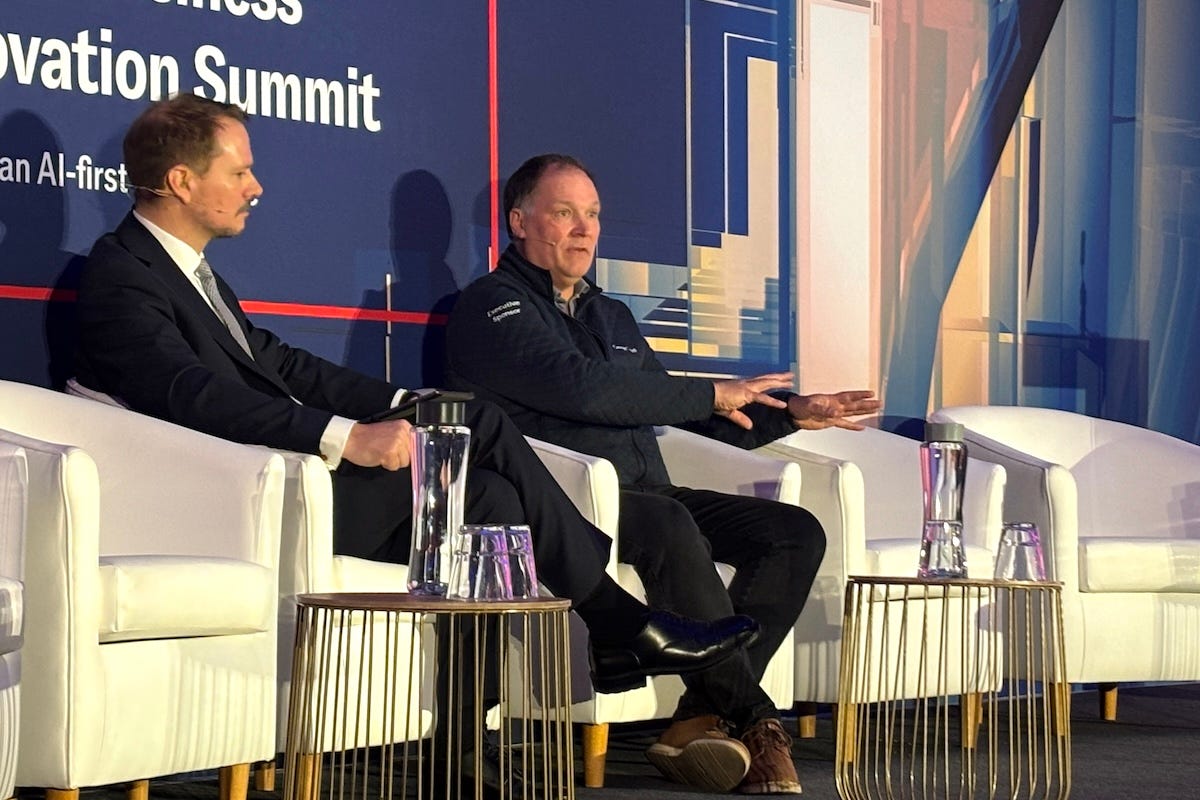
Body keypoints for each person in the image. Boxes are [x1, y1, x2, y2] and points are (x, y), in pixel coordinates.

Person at [71, 95, 759, 705]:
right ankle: (614, 621)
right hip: (242, 494)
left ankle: (467, 737)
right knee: (479, 421)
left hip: (284, 474)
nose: (256, 187)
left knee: (491, 496)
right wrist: (347, 437)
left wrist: (407, 400)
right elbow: (192, 397)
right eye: (239, 172)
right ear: (181, 181)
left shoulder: (190, 274)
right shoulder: (121, 276)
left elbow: (281, 363)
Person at [444, 154, 882, 795]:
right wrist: (710, 393)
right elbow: (585, 391)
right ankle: (754, 720)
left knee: (792, 532)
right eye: (564, 213)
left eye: (592, 215)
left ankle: (699, 716)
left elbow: (686, 409)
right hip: (564, 504)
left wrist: (792, 412)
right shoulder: (491, 307)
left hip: (647, 492)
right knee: (669, 519)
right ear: (519, 221)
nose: (584, 230)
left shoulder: (610, 316)